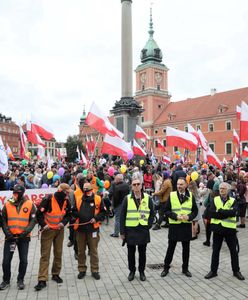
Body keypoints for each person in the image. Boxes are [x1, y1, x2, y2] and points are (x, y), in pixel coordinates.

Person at [34, 183, 72, 291]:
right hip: (48, 230)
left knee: (58, 253)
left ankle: (55, 274)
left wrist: (63, 223)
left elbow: (69, 214)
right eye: (67, 192)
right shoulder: (48, 199)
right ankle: (42, 279)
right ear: (61, 191)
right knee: (45, 255)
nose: (68, 194)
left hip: (59, 230)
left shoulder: (66, 201)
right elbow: (39, 214)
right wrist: (43, 225)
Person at [205, 182, 245, 280]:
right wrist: (227, 212)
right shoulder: (215, 199)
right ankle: (213, 271)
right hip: (218, 229)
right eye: (220, 188)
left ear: (228, 190)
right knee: (215, 251)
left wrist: (221, 211)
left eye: (223, 188)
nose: (221, 190)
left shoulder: (233, 200)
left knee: (233, 252)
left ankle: (236, 271)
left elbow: (234, 213)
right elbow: (212, 213)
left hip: (230, 230)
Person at [0, 184, 36, 290]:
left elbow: (33, 221)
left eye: (16, 192)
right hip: (10, 238)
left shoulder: (30, 204)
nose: (14, 194)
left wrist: (25, 233)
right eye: (13, 192)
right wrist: (8, 234)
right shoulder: (7, 204)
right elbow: (3, 221)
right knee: (6, 261)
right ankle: (6, 280)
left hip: (23, 238)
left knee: (23, 260)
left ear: (21, 193)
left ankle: (20, 280)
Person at [161, 177, 198, 278]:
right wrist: (175, 216)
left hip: (186, 226)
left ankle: (185, 269)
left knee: (186, 249)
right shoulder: (172, 195)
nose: (179, 186)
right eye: (177, 184)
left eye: (181, 184)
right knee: (171, 248)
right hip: (174, 226)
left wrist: (189, 216)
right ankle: (166, 268)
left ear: (186, 185)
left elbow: (195, 211)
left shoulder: (190, 195)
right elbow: (166, 211)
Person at [120, 174, 154, 282]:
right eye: (134, 184)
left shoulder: (148, 198)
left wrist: (148, 225)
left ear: (141, 185)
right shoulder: (127, 199)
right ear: (131, 186)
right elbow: (122, 216)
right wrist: (122, 232)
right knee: (131, 253)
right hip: (130, 229)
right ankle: (132, 271)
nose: (136, 186)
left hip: (143, 229)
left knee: (142, 253)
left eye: (138, 184)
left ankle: (142, 271)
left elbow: (152, 213)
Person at [72, 182, 106, 280]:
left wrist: (96, 218)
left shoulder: (98, 199)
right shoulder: (78, 199)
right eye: (84, 188)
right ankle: (82, 270)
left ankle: (95, 270)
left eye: (87, 188)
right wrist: (78, 217)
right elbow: (74, 211)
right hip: (80, 230)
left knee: (93, 251)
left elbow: (103, 212)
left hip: (93, 230)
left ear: (91, 188)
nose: (85, 190)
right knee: (81, 251)